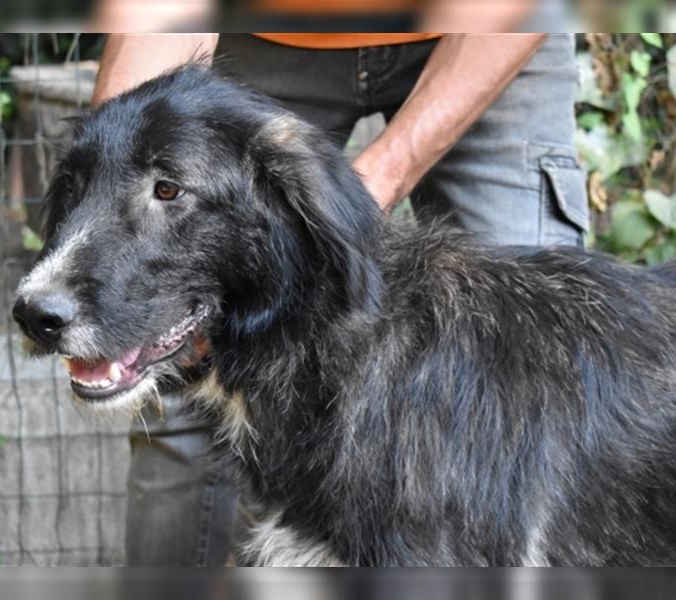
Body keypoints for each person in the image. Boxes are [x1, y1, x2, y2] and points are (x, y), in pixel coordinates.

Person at [91, 32, 589, 565]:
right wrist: (117, 195)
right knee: (174, 385)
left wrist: (340, 200)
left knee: (533, 353)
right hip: (271, 36)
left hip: (482, 36)